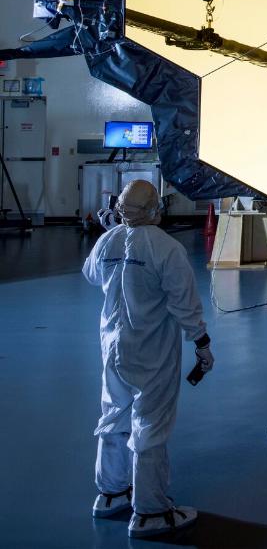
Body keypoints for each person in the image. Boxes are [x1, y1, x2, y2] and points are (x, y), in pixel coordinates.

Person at [83, 179, 214, 540]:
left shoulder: (107, 241)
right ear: (155, 208)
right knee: (151, 424)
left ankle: (110, 493)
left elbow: (92, 274)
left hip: (112, 347)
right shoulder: (166, 249)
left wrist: (113, 238)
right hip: (151, 350)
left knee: (113, 415)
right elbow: (184, 303)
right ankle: (151, 512)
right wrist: (201, 343)